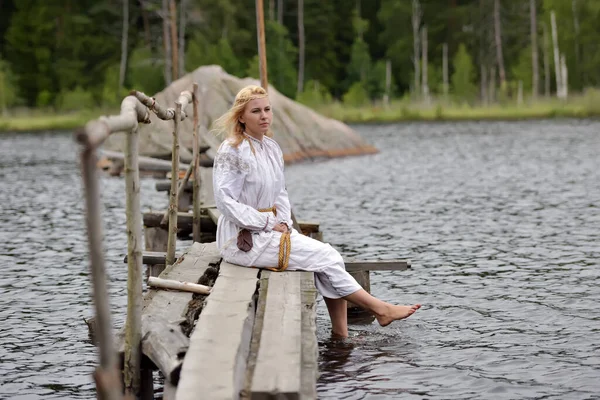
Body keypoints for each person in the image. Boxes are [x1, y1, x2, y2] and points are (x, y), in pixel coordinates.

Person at [212, 85, 420, 338]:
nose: (264, 115)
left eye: (267, 109)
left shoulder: (271, 148)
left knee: (329, 255)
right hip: (241, 239)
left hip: (271, 230)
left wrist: (284, 223)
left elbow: (280, 193)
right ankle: (378, 309)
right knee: (325, 257)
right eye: (256, 111)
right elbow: (225, 201)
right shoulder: (231, 150)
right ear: (241, 116)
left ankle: (341, 334)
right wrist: (266, 223)